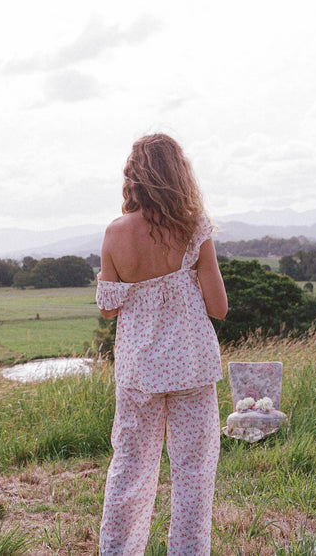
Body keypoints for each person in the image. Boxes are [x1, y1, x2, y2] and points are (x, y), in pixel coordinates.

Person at [96, 133, 228, 555]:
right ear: (178, 175)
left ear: (134, 177)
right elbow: (219, 307)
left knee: (130, 469)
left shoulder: (115, 233)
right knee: (193, 473)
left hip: (139, 373)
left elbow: (109, 308)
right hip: (192, 366)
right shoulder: (194, 229)